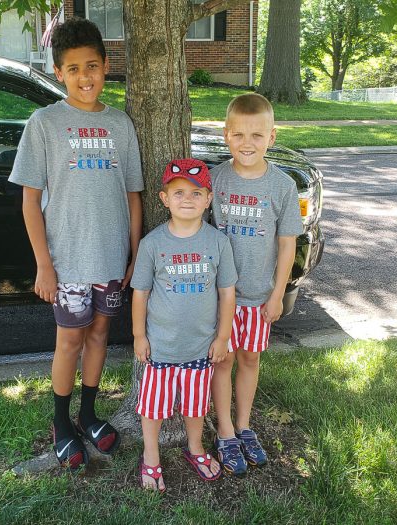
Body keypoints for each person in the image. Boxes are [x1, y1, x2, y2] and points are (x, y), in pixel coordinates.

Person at [8, 17, 143, 470]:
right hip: (66, 261)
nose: (85, 77)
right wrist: (43, 265)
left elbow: (132, 194)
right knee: (69, 340)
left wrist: (134, 251)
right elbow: (30, 202)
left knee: (101, 334)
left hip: (109, 258)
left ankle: (88, 413)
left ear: (106, 65)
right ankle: (61, 421)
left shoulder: (120, 124)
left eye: (92, 66)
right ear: (59, 73)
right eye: (73, 69)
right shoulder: (44, 123)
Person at [210, 93, 302, 476]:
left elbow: (287, 244)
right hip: (219, 298)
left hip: (260, 296)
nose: (247, 143)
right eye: (239, 135)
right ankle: (226, 431)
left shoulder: (282, 186)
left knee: (249, 359)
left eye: (257, 135)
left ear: (272, 137)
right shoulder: (214, 179)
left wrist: (278, 293)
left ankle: (245, 425)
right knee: (224, 360)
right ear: (227, 135)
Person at [131, 159, 237, 492]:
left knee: (195, 405)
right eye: (178, 192)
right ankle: (151, 455)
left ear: (208, 199)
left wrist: (223, 337)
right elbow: (140, 294)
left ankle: (195, 448)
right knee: (154, 407)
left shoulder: (218, 243)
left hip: (200, 346)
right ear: (164, 198)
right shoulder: (152, 244)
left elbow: (227, 292)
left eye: (196, 192)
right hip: (160, 346)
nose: (187, 199)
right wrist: (138, 335)